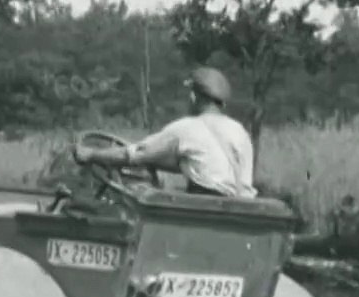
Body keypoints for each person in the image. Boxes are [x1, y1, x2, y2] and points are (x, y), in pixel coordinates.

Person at [73, 67, 257, 198]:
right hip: (243, 209)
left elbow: (133, 154)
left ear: (193, 97)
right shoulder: (240, 132)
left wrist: (90, 154)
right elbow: (205, 165)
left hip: (204, 211)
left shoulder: (187, 129)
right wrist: (154, 163)